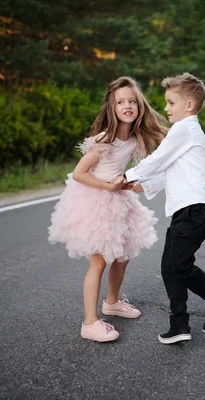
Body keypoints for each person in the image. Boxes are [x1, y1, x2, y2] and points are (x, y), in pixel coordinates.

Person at [48, 76, 168, 342]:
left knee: (123, 255)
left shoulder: (135, 139)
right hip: (97, 198)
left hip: (117, 196)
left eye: (132, 101)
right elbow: (79, 173)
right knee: (99, 260)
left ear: (139, 106)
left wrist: (130, 185)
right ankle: (89, 323)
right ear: (112, 108)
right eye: (120, 102)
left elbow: (141, 169)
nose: (127, 106)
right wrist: (108, 186)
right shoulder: (106, 139)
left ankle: (112, 303)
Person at [124, 73, 205, 344]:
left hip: (196, 207)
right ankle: (179, 325)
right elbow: (169, 172)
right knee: (169, 267)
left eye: (171, 103)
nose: (166, 108)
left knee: (180, 265)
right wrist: (141, 187)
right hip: (185, 209)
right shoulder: (186, 134)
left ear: (189, 106)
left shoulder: (185, 129)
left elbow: (159, 159)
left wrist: (128, 176)